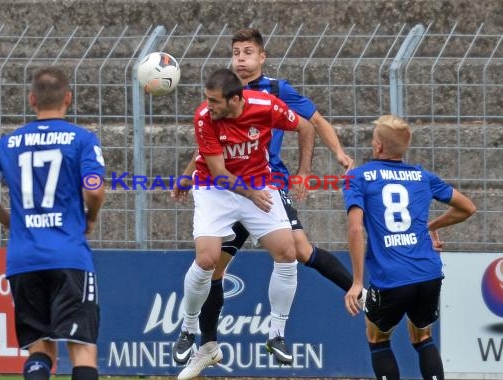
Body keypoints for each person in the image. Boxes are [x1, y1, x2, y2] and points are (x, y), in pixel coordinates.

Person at [171, 28, 363, 378]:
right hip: (227, 188)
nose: (241, 58)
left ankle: (353, 295)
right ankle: (204, 342)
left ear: (262, 57)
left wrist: (316, 164)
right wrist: (186, 176)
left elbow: (311, 123)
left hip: (266, 183)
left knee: (295, 250)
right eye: (236, 52)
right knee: (211, 264)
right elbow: (210, 155)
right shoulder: (213, 103)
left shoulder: (274, 94)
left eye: (248, 52)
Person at [173, 67, 315, 380]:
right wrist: (250, 194)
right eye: (207, 99)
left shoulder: (266, 106)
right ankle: (188, 329)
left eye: (214, 100)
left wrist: (304, 171)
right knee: (207, 258)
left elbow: (306, 127)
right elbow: (219, 172)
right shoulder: (204, 117)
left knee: (288, 251)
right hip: (216, 188)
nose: (208, 105)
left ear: (236, 99)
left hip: (257, 184)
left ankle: (276, 334)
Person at [0, 66, 106, 380]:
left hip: (24, 259)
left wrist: (11, 222)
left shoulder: (7, 144)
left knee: (39, 348)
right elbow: (94, 188)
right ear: (68, 99)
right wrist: (91, 217)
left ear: (32, 99)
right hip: (69, 256)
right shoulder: (82, 139)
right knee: (82, 345)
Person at [343, 115, 476, 380]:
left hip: (391, 277)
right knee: (423, 335)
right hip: (428, 272)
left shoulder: (356, 177)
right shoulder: (422, 176)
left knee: (377, 338)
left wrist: (357, 282)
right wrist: (429, 227)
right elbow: (467, 208)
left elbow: (356, 229)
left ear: (378, 146)